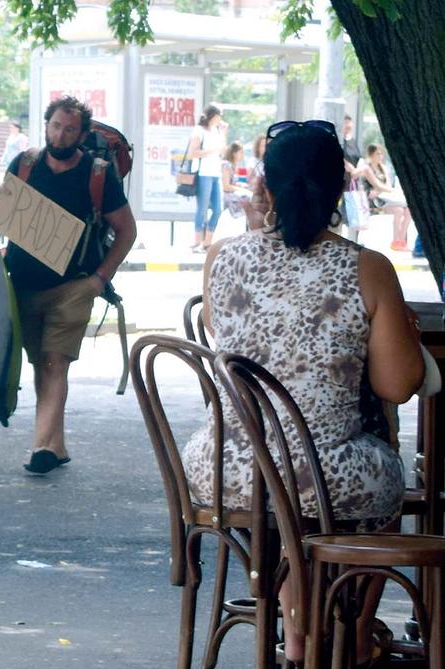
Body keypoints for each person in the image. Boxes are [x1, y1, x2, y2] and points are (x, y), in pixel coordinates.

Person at [187, 120, 425, 665]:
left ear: (264, 186)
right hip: (324, 479)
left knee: (289, 484)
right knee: (376, 475)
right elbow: (398, 384)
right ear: (340, 190)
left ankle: (297, 634)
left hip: (227, 471)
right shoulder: (367, 268)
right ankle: (355, 641)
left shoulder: (221, 256)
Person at [0, 96, 137, 474]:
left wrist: (99, 279)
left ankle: (39, 447)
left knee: (54, 361)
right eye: (56, 126)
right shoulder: (24, 165)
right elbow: (2, 216)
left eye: (70, 129)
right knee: (40, 364)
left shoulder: (97, 174)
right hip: (23, 284)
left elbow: (126, 229)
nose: (61, 135)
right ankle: (56, 445)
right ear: (46, 125)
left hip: (74, 287)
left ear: (83, 133)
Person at [186, 104, 227, 252]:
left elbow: (223, 150)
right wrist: (212, 151)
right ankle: (198, 241)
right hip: (203, 173)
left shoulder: (217, 130)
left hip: (216, 173)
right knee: (202, 209)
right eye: (218, 115)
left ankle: (208, 241)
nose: (219, 119)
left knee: (217, 209)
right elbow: (193, 152)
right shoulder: (199, 130)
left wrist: (223, 133)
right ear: (212, 116)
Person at [361, 143, 413, 251]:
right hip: (374, 200)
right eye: (377, 154)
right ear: (371, 155)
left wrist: (381, 190)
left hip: (385, 197)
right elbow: (377, 184)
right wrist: (381, 189)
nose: (380, 156)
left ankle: (401, 241)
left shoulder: (383, 167)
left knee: (408, 211)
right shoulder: (367, 168)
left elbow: (388, 186)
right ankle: (395, 242)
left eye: (381, 154)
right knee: (399, 211)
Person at [220, 142, 251, 221]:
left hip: (231, 193)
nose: (243, 155)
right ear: (234, 153)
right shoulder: (226, 165)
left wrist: (242, 185)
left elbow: (233, 183)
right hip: (225, 195)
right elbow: (226, 186)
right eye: (241, 152)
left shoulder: (233, 165)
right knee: (249, 197)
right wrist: (242, 189)